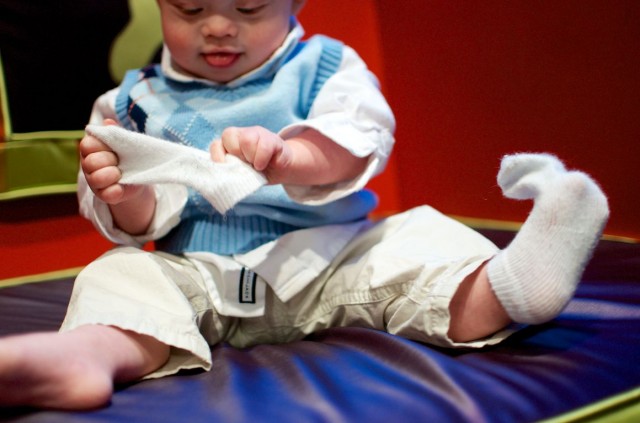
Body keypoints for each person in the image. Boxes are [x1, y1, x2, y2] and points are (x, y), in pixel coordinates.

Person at [0, 0, 609, 410]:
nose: (217, 26)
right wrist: (125, 190)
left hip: (329, 259)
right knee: (120, 275)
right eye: (190, 8)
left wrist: (290, 157)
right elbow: (134, 226)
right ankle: (83, 356)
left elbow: (357, 142)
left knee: (417, 238)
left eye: (247, 7)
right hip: (198, 276)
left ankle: (509, 288)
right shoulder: (128, 104)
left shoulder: (323, 67)